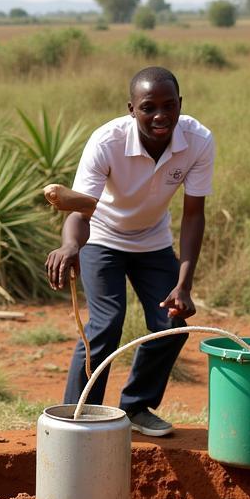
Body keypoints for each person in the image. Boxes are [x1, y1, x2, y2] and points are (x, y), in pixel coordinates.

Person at [46, 66, 214, 435]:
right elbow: (81, 208)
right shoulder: (107, 141)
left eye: (169, 106)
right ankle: (77, 417)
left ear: (180, 104)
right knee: (106, 323)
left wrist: (184, 283)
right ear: (131, 109)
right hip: (103, 236)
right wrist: (71, 245)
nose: (160, 116)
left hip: (153, 241)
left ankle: (136, 408)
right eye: (148, 107)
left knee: (171, 324)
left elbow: (193, 215)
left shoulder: (198, 140)